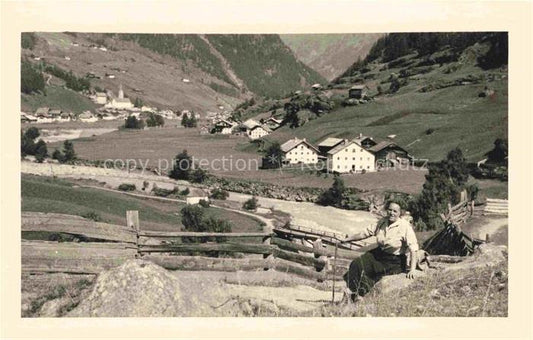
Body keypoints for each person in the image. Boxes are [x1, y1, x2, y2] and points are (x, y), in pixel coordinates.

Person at [340, 202, 419, 301]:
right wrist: (348, 239)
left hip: (394, 260)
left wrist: (412, 269)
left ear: (400, 213)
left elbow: (413, 248)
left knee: (374, 274)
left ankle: (362, 295)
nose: (392, 213)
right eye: (390, 210)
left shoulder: (405, 226)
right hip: (379, 254)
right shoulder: (382, 222)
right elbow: (365, 233)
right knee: (357, 264)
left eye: (395, 211)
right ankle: (352, 292)